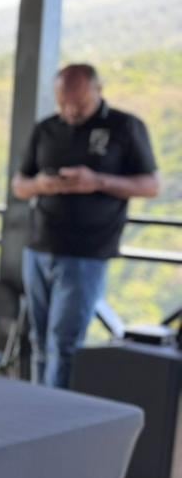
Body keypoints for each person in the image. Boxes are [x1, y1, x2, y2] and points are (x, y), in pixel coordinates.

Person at [11, 64, 160, 388]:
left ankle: (58, 419)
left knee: (65, 344)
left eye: (77, 105)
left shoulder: (125, 127)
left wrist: (98, 182)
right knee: (38, 340)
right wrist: (41, 185)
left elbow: (151, 185)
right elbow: (19, 185)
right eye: (63, 103)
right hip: (39, 246)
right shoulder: (46, 128)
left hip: (87, 252)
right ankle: (38, 407)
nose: (69, 111)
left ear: (97, 91)